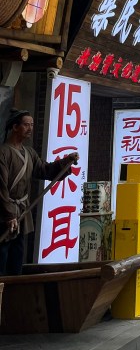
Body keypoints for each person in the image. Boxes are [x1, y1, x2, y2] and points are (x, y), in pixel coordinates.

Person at [0, 109, 78, 276]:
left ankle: (14, 291)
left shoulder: (29, 153)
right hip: (4, 216)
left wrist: (67, 161)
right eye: (26, 125)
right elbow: (1, 188)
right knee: (2, 258)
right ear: (15, 127)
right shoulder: (3, 152)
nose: (30, 128)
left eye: (32, 125)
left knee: (16, 261)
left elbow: (45, 170)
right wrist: (9, 215)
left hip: (21, 214)